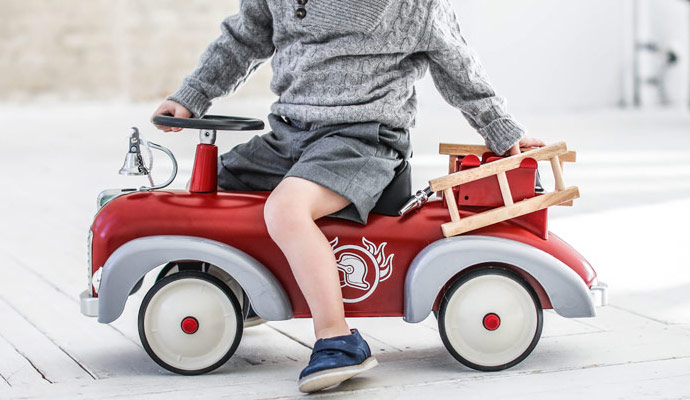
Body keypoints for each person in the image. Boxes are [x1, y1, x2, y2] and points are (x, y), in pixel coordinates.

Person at [153, 0, 544, 393]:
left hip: (362, 138)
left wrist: (500, 128)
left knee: (288, 209)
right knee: (217, 190)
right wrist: (194, 94)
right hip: (290, 134)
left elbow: (457, 62)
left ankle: (337, 338)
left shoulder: (410, 7)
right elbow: (243, 37)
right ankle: (243, 287)